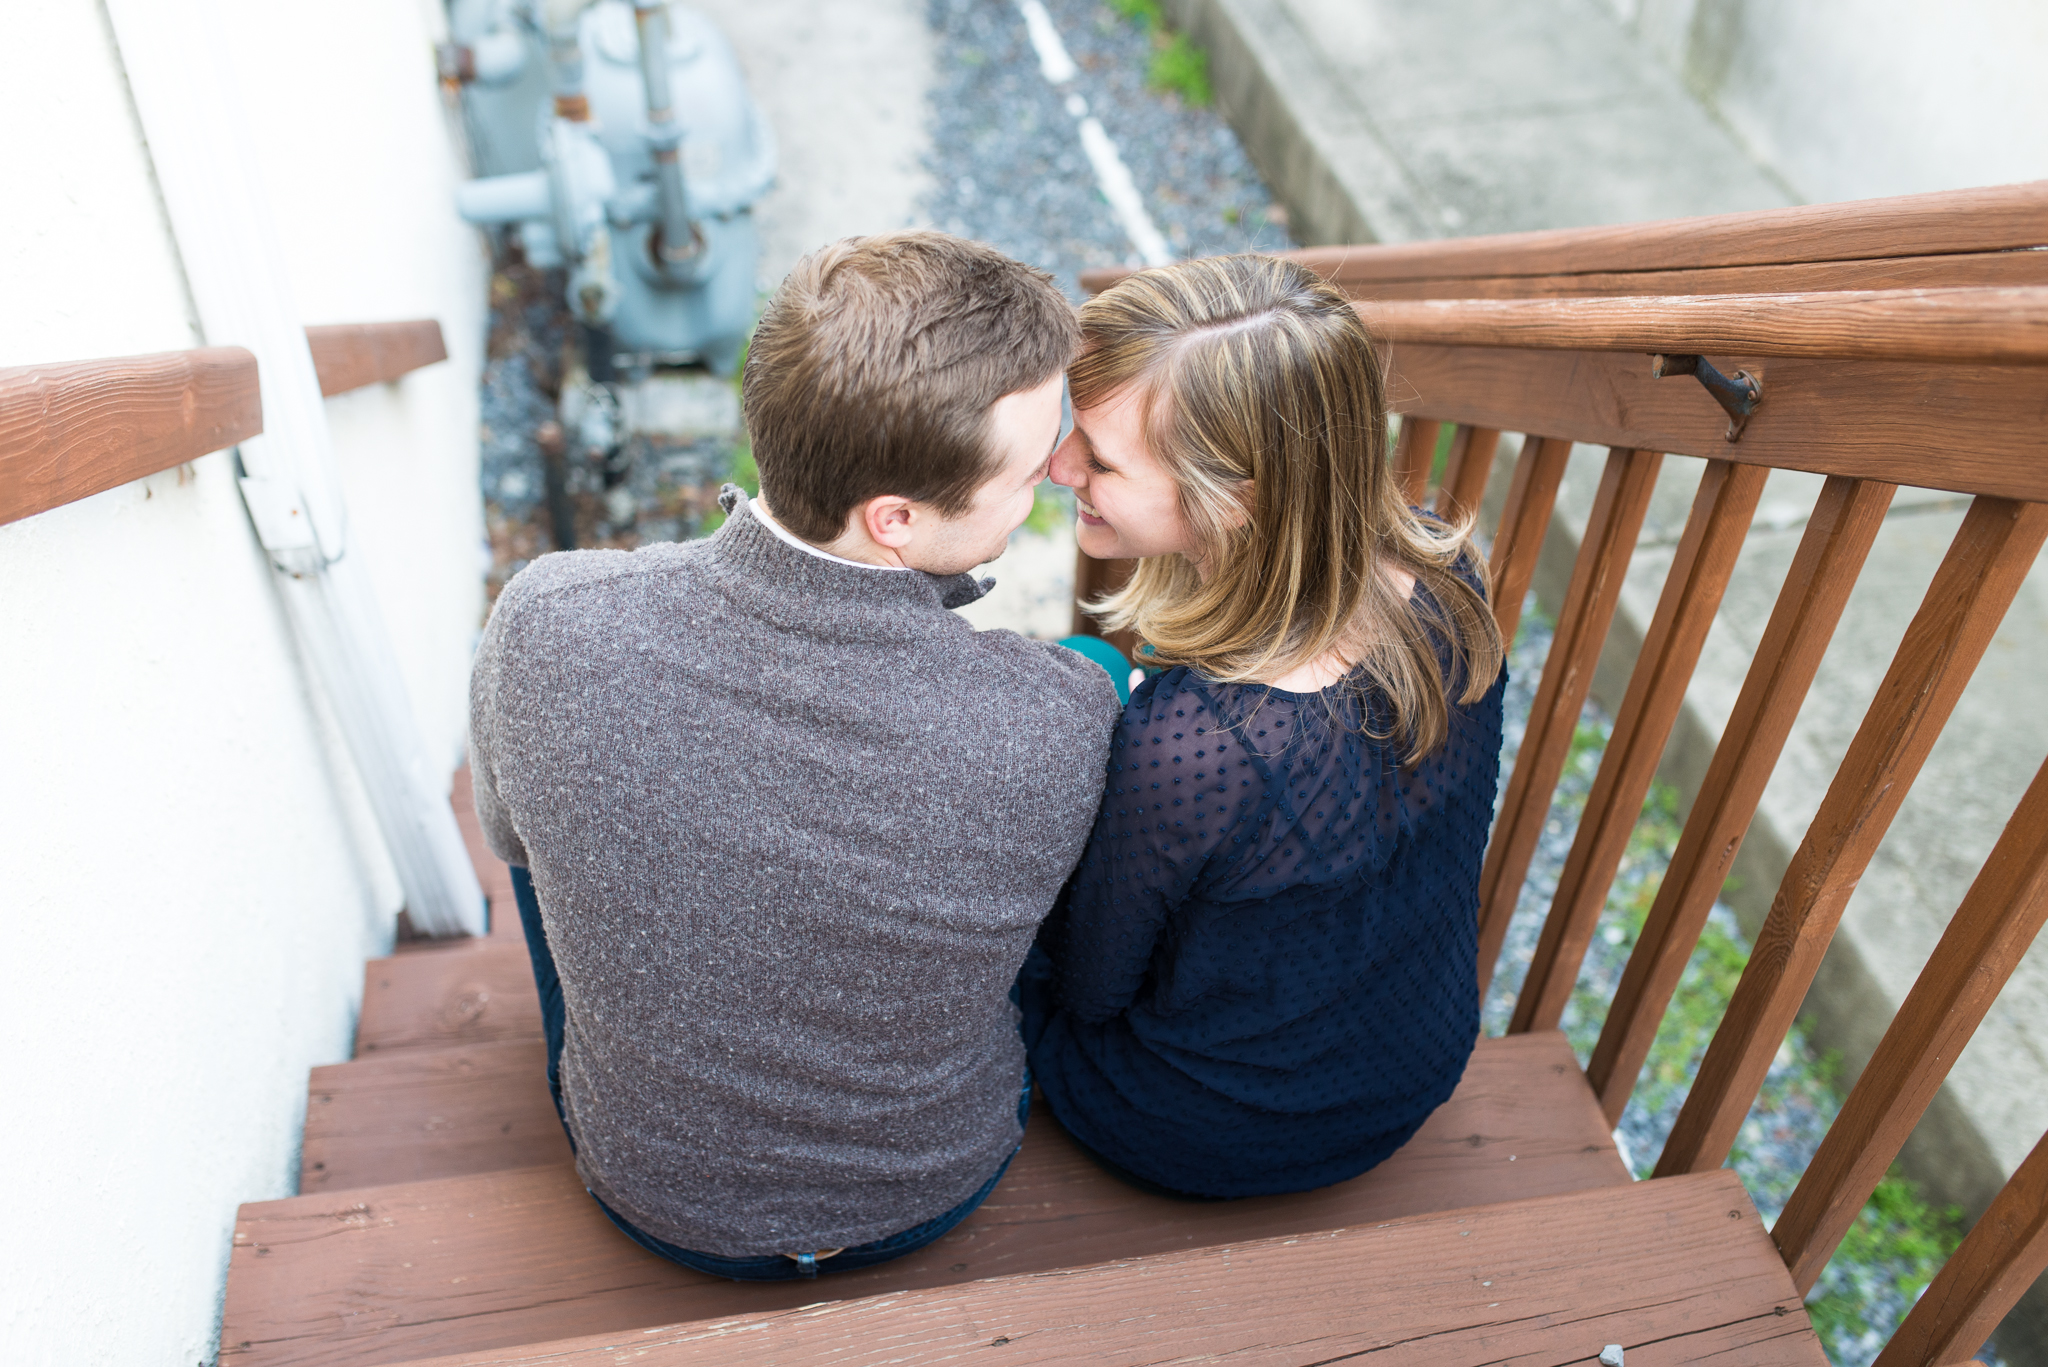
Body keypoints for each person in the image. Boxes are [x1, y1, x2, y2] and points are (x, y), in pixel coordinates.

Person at [468, 232, 1122, 1280]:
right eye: (1031, 466)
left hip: (650, 1192)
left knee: (545, 837)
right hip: (928, 1188)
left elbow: (510, 841)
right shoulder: (1056, 714)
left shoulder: (546, 616)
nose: (1056, 474)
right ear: (895, 519)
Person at [1019, 253, 1509, 1200]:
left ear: (1235, 499)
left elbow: (1089, 987)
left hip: (1205, 1124)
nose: (1057, 466)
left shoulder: (1193, 744)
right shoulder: (1447, 580)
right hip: (1411, 1065)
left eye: (1101, 459)